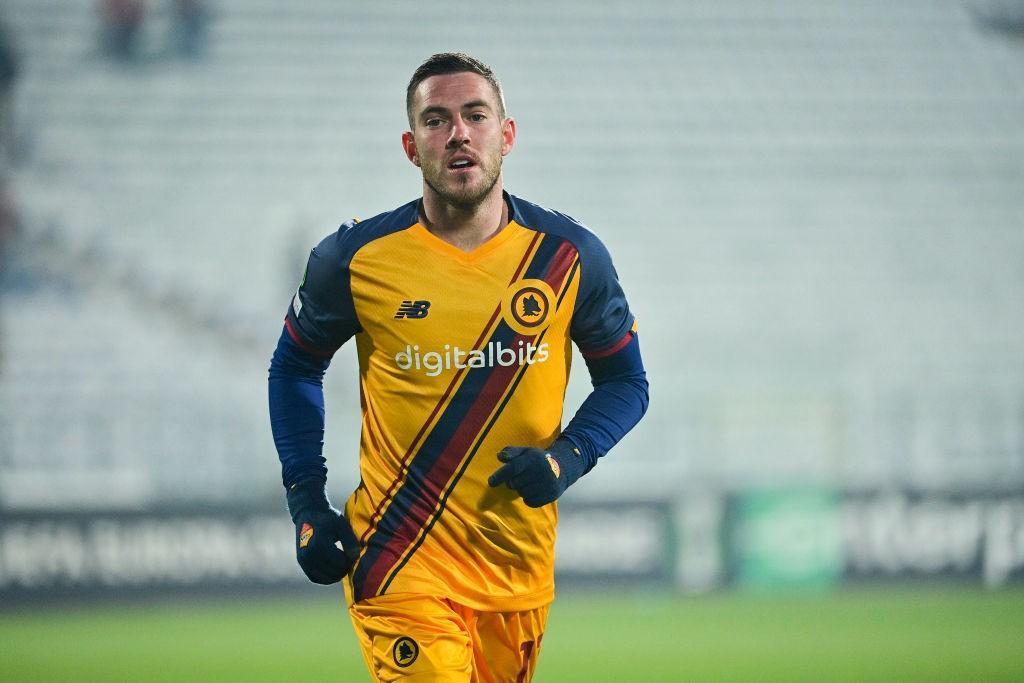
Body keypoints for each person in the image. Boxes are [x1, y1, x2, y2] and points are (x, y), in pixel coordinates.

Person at [268, 52, 649, 682]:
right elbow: (294, 368)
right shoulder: (354, 259)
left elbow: (627, 381)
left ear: (507, 134)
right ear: (411, 146)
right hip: (398, 558)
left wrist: (570, 456)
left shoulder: (568, 257)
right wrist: (306, 501)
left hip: (515, 567)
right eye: (436, 120)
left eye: (475, 115)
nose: (458, 133)